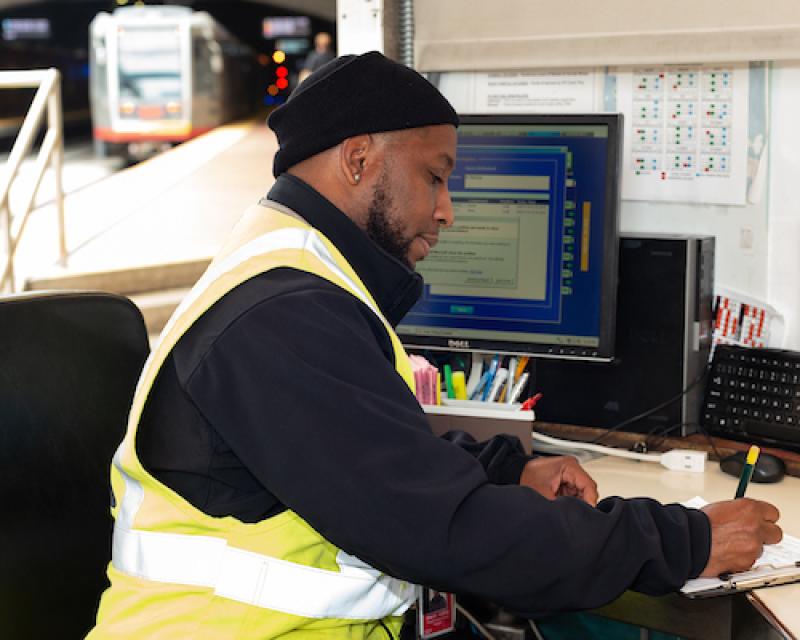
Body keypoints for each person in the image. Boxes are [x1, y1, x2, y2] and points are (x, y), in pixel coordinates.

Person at [88, 52, 782, 639]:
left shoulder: (296, 274)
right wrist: (684, 542)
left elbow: (366, 451)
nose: (447, 208)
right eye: (436, 176)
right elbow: (447, 530)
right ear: (359, 160)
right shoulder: (283, 314)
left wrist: (507, 472)